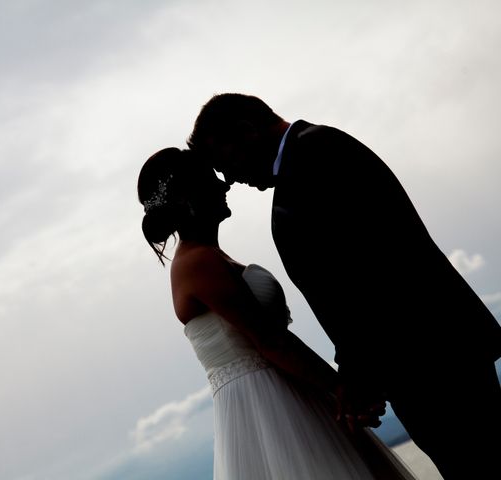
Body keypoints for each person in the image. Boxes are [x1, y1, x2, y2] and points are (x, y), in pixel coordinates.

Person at [187, 93, 501, 480]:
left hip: (430, 357)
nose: (231, 179)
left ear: (247, 131)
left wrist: (353, 374)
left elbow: (368, 273)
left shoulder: (316, 156)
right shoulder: (313, 153)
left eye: (227, 162)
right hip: (424, 357)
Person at [137, 147, 416, 480]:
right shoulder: (197, 262)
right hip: (265, 409)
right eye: (211, 180)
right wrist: (341, 388)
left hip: (292, 392)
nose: (224, 186)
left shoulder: (210, 256)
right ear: (187, 196)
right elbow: (270, 340)